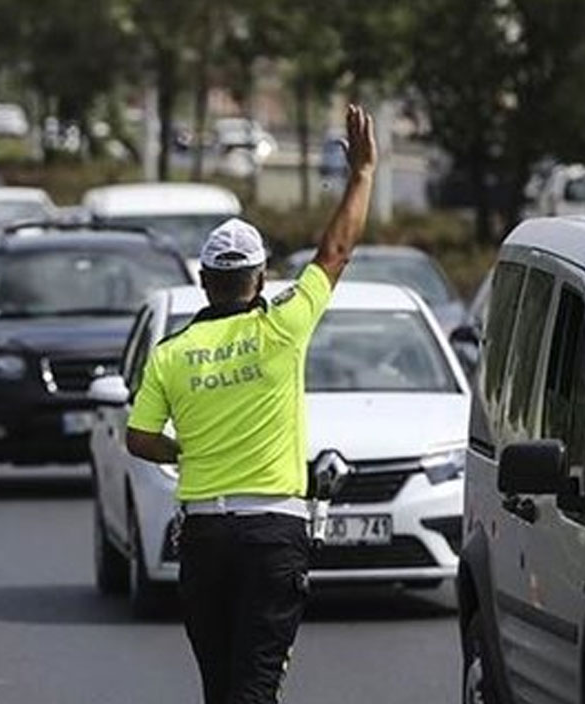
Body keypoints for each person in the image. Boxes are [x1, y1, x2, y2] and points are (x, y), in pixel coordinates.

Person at [125, 104, 377, 704]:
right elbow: (336, 251)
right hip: (274, 535)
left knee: (222, 690)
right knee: (255, 688)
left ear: (205, 280)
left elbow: (138, 438)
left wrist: (184, 448)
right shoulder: (285, 327)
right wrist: (362, 175)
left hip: (205, 538)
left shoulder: (172, 352)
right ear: (260, 280)